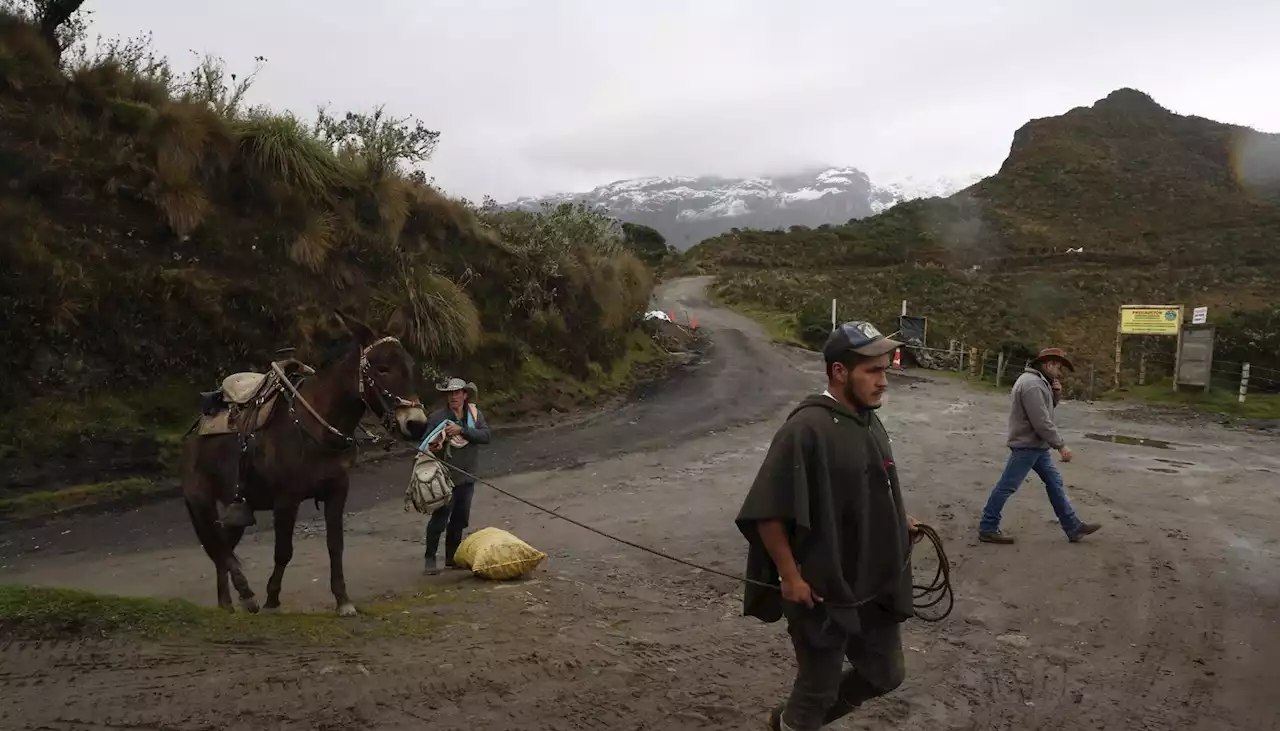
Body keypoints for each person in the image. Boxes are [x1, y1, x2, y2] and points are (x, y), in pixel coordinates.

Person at [736, 321, 922, 731]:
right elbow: (767, 510)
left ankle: (792, 722)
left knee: (885, 673)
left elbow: (865, 489)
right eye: (872, 371)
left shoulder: (867, 420)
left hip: (870, 583)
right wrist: (789, 577)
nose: (883, 381)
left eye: (884, 370)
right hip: (820, 589)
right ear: (840, 372)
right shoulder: (805, 429)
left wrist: (896, 521)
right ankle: (795, 723)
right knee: (817, 687)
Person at [978, 348, 1101, 545]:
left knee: (1054, 483)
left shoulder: (1039, 382)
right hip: (1028, 445)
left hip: (1036, 445)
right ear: (1048, 364)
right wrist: (1060, 446)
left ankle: (1073, 526)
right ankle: (988, 527)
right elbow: (1041, 421)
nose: (1060, 372)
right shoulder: (1032, 385)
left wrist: (1056, 394)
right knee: (1007, 486)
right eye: (1058, 367)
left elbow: (1046, 409)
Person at [422, 377, 491, 574]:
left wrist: (462, 430)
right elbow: (426, 444)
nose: (453, 397)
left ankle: (451, 558)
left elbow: (486, 436)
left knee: (460, 519)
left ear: (464, 394)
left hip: (467, 476)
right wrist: (437, 445)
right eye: (450, 394)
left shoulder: (475, 415)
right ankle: (430, 558)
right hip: (444, 476)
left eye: (457, 393)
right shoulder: (437, 418)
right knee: (440, 518)